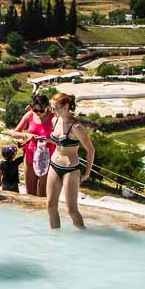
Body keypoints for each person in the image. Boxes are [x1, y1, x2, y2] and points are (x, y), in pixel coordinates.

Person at [45, 92, 95, 230]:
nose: (52, 111)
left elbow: (91, 150)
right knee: (50, 206)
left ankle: (82, 236)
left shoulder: (76, 127)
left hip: (71, 169)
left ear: (66, 107)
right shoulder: (55, 121)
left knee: (71, 210)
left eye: (55, 108)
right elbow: (57, 144)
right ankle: (55, 237)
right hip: (54, 165)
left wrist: (87, 173)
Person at [10, 94, 54, 197]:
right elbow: (14, 133)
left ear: (47, 107)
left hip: (48, 160)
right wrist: (27, 135)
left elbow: (61, 140)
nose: (38, 113)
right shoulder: (29, 115)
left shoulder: (54, 118)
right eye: (35, 110)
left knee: (43, 195)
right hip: (30, 157)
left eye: (41, 111)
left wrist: (46, 140)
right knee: (30, 194)